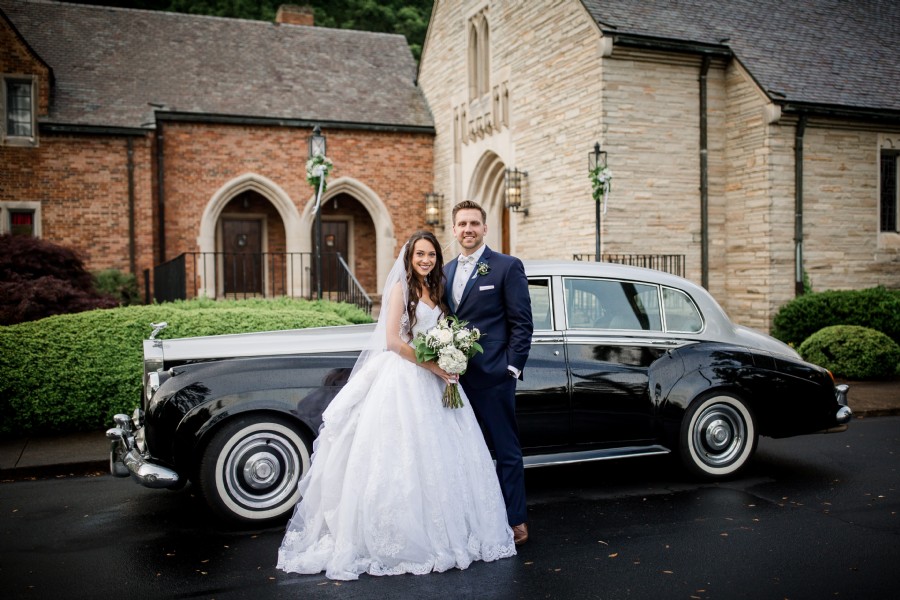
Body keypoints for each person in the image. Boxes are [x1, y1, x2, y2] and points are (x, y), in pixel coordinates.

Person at [277, 230, 516, 581]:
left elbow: (441, 330)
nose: (426, 260)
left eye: (431, 255)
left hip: (440, 383)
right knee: (402, 457)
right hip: (404, 379)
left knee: (445, 458)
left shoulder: (436, 289)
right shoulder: (399, 289)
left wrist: (451, 358)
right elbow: (392, 341)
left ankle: (453, 531)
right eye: (420, 254)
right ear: (410, 257)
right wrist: (433, 364)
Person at [443, 201, 533, 545]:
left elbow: (521, 323)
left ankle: (515, 520)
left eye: (474, 223)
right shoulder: (446, 270)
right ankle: (473, 520)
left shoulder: (506, 267)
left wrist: (510, 368)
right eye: (462, 224)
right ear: (453, 230)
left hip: (494, 377)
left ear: (485, 228)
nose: (468, 229)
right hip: (455, 380)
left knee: (505, 451)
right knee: (464, 453)